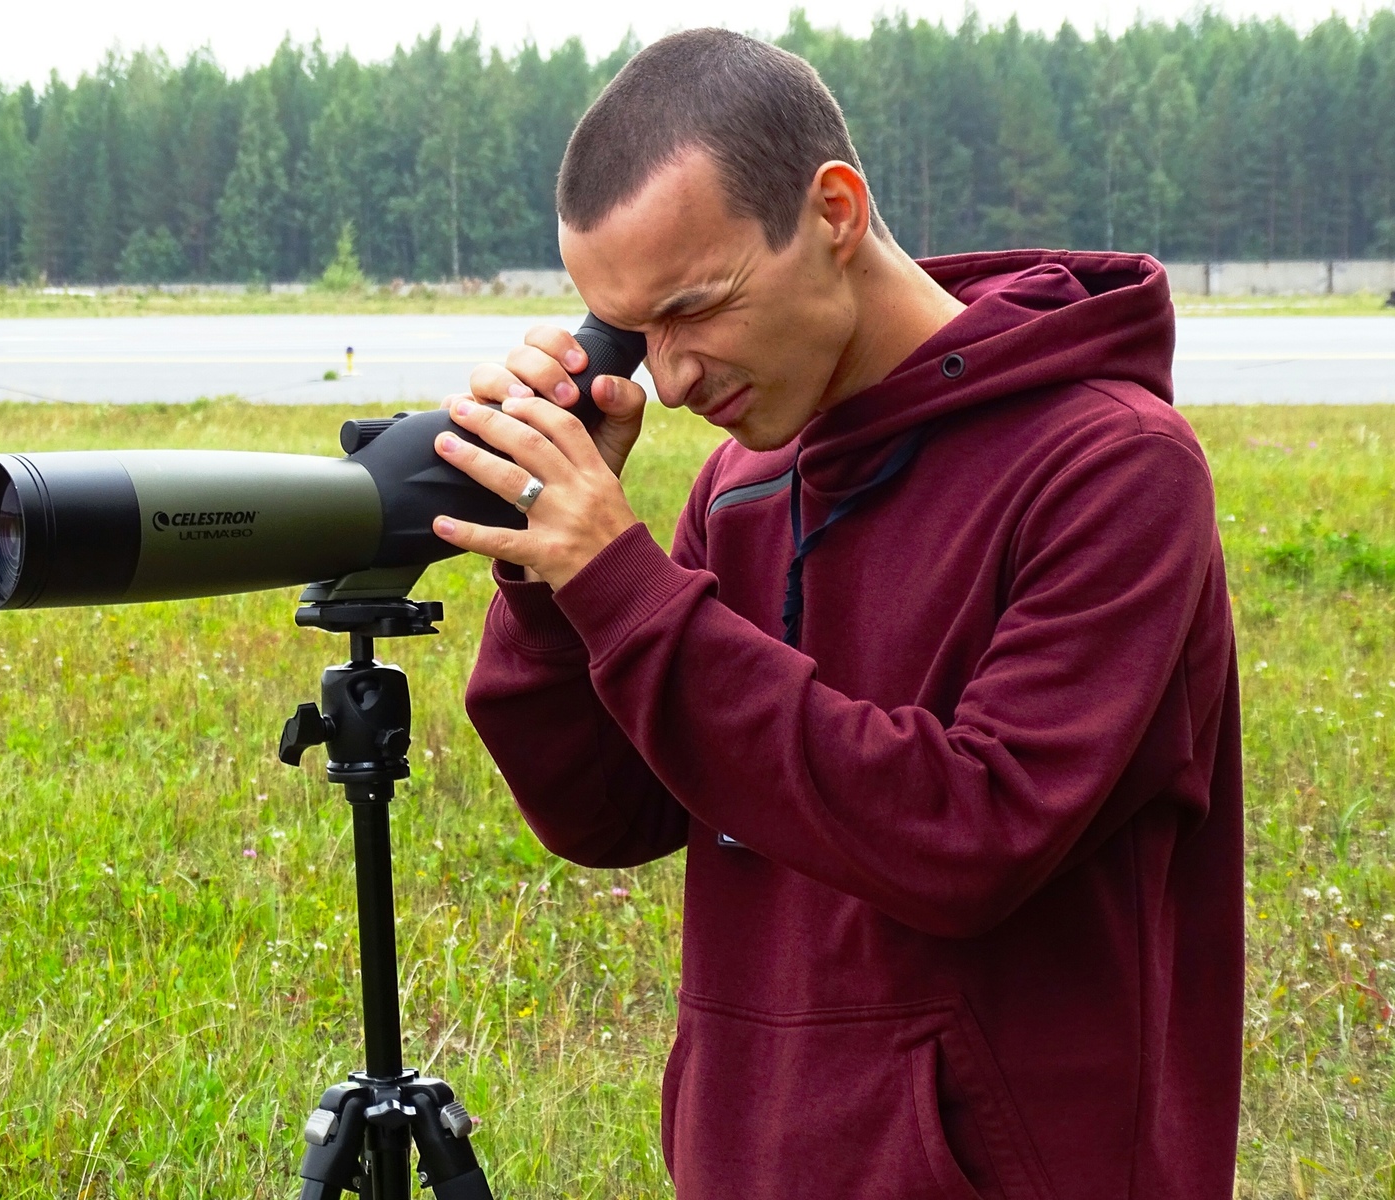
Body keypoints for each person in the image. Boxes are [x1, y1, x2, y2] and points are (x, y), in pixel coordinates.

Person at [428, 28, 1242, 1200]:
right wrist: (553, 580)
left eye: (694, 307)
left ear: (835, 212)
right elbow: (605, 814)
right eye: (629, 334)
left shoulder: (1112, 467)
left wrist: (621, 579)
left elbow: (973, 836)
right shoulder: (745, 484)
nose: (672, 377)